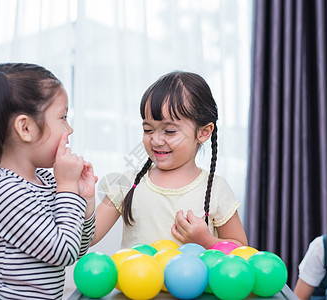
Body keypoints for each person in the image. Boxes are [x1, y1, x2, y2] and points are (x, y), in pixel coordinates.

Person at [0, 63, 96, 300]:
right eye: (63, 117)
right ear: (25, 128)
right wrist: (68, 188)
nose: (69, 129)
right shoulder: (6, 191)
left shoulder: (46, 182)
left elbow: (77, 248)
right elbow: (64, 252)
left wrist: (85, 199)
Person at [92, 71, 247, 249]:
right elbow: (87, 237)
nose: (156, 140)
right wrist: (84, 197)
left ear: (203, 132)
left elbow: (240, 250)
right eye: (148, 130)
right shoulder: (127, 184)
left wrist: (206, 241)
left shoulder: (216, 189)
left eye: (170, 131)